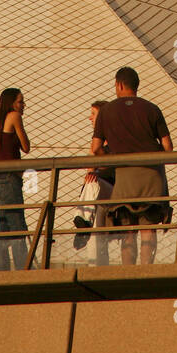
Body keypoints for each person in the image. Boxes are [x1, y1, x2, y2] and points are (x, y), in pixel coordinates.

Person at [92, 68, 172, 266]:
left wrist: (111, 158)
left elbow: (95, 148)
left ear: (119, 85)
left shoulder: (107, 111)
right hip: (151, 175)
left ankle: (128, 273)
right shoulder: (152, 109)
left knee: (128, 229)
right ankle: (147, 272)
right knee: (148, 228)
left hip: (124, 177)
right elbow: (168, 147)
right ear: (136, 86)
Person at [0, 87, 30, 271]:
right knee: (18, 227)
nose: (23, 105)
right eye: (20, 101)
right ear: (11, 103)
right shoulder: (14, 117)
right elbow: (26, 146)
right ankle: (24, 269)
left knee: (4, 230)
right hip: (11, 180)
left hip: (0, 181)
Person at [73, 101, 115, 265]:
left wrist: (94, 172)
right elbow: (91, 167)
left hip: (112, 188)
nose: (90, 118)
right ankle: (95, 264)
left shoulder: (114, 140)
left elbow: (104, 166)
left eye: (93, 114)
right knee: (92, 185)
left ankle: (81, 220)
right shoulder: (97, 142)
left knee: (93, 182)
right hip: (98, 192)